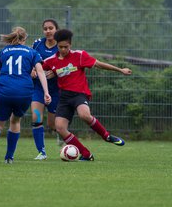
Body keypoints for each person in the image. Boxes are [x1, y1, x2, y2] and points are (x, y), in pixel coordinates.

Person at [42, 29, 132, 161]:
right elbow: (39, 70)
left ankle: (106, 136)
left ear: (70, 45)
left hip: (79, 94)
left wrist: (120, 70)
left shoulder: (79, 55)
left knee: (84, 115)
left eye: (65, 47)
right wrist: (37, 73)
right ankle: (86, 154)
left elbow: (99, 65)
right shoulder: (51, 61)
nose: (63, 50)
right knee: (60, 128)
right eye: (60, 47)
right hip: (64, 98)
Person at [0, 26, 51, 164]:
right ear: (24, 39)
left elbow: (0, 75)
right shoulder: (32, 52)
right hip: (24, 92)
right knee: (15, 121)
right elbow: (41, 72)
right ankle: (9, 157)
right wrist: (46, 92)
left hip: (6, 91)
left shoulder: (3, 52)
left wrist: (1, 90)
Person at [31, 18, 62, 161]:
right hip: (38, 88)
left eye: (51, 28)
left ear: (56, 29)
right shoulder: (37, 44)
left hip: (56, 89)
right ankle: (42, 152)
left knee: (52, 123)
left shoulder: (61, 46)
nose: (48, 31)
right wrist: (32, 70)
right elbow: (30, 60)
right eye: (45, 28)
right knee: (36, 117)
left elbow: (69, 65)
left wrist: (56, 72)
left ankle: (61, 134)